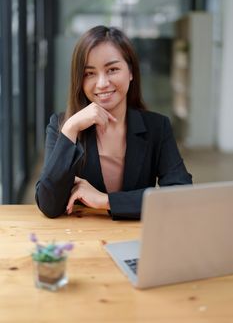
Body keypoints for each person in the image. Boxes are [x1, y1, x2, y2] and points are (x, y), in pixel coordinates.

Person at [35, 25, 192, 220]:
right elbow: (49, 205)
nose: (102, 83)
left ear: (131, 72)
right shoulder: (62, 125)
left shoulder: (157, 127)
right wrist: (70, 129)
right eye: (89, 73)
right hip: (82, 239)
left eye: (112, 69)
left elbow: (181, 195)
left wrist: (106, 200)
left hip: (136, 240)